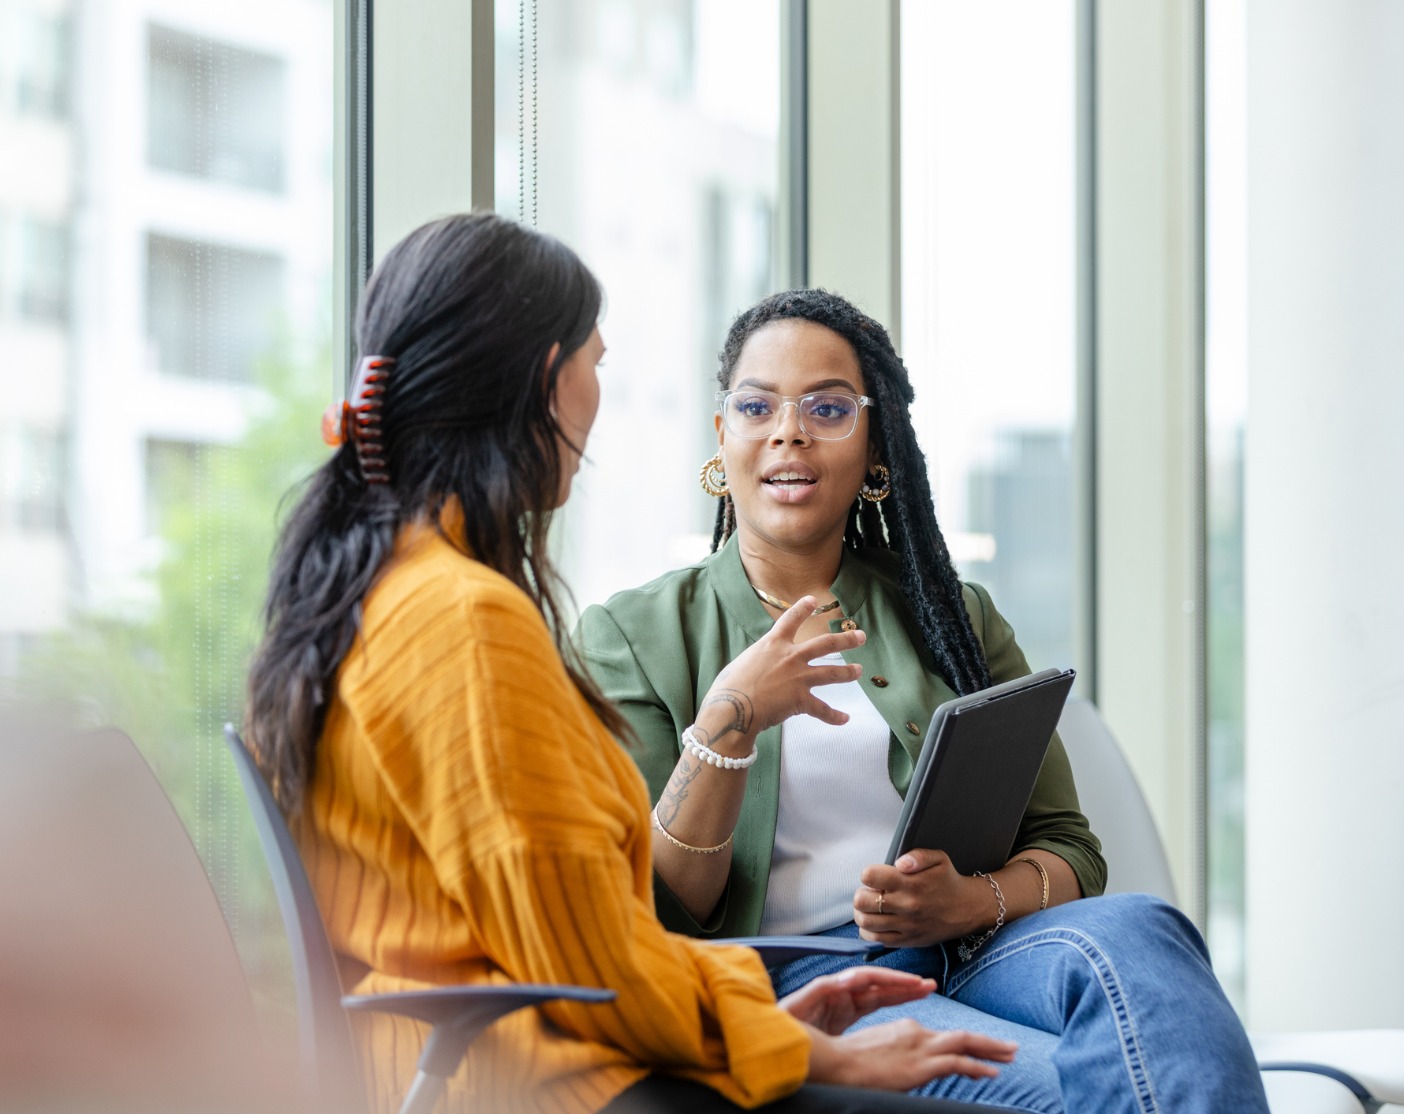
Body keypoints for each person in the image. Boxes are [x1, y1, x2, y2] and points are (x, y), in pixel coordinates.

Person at [243, 215, 1018, 1114]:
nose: (789, 436)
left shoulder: (384, 593)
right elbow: (586, 960)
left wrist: (768, 1022)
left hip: (509, 1055)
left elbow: (581, 942)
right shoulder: (464, 624)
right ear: (548, 380)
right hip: (545, 1081)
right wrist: (804, 1051)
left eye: (828, 408)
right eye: (597, 364)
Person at [576, 289, 1273, 1114]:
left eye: (828, 407)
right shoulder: (629, 634)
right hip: (808, 975)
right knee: (1064, 1091)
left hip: (987, 947)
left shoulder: (954, 617)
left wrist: (967, 902)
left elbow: (1070, 850)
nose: (789, 430)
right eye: (757, 405)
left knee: (1146, 931)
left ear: (876, 451)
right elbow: (664, 907)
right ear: (722, 437)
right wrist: (732, 714)